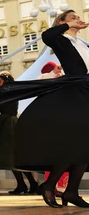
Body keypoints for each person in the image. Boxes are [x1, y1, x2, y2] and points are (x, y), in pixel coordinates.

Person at [0, 10, 89, 208]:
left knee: (85, 145)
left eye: (77, 17)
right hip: (74, 94)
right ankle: (49, 185)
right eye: (72, 18)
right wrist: (67, 26)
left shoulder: (82, 44)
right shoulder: (62, 40)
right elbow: (47, 36)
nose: (78, 20)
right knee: (75, 144)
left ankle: (71, 192)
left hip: (85, 91)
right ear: (61, 23)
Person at [36, 62, 68, 196]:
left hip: (59, 122)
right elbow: (42, 80)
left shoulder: (60, 81)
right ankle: (55, 186)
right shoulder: (45, 80)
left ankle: (58, 186)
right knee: (56, 156)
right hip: (54, 123)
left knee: (62, 155)